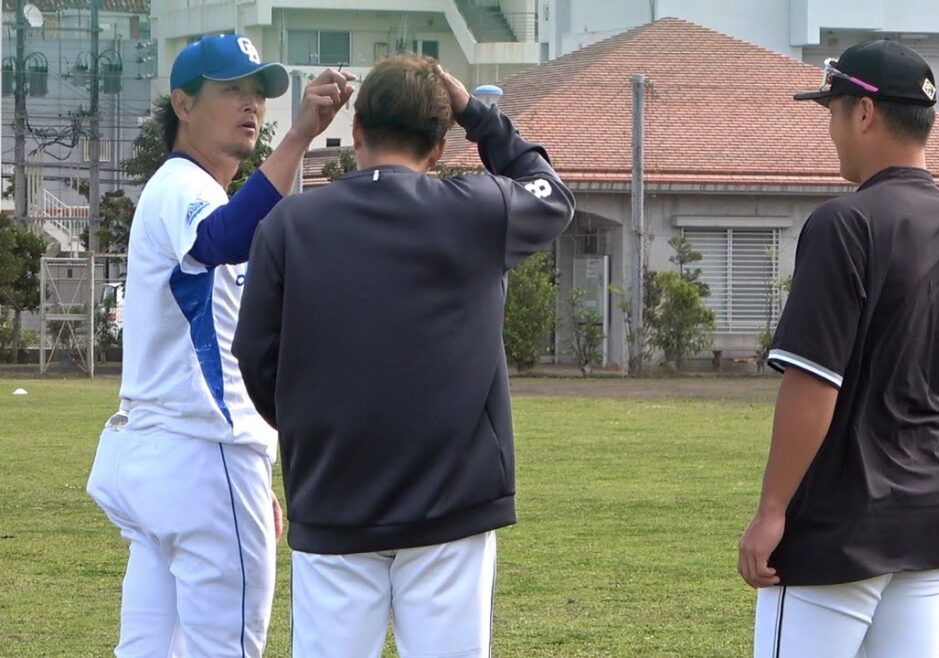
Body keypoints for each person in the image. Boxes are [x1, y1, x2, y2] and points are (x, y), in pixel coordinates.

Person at [231, 54, 574, 658]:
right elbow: (550, 193)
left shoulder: (289, 224)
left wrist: (311, 423)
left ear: (356, 133)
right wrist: (477, 113)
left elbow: (256, 354)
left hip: (333, 496)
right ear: (440, 148)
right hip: (452, 504)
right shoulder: (478, 208)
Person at [85, 33, 353, 656]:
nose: (251, 104)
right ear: (182, 103)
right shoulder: (183, 183)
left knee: (151, 647)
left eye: (258, 92)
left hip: (169, 456)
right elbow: (226, 237)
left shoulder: (199, 190)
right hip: (200, 456)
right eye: (231, 89)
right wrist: (300, 137)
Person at [736, 40, 939, 657]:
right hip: (930, 523)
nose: (830, 127)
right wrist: (936, 489)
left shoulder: (844, 223)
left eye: (833, 109)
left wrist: (773, 509)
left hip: (836, 525)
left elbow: (812, 385)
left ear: (863, 113)